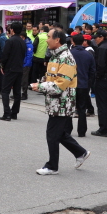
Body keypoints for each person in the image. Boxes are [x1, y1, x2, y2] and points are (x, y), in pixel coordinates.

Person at [31, 29, 90, 175]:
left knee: (52, 134)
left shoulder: (66, 58)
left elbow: (60, 85)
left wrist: (40, 87)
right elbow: (52, 78)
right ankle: (81, 153)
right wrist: (41, 83)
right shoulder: (55, 56)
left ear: (57, 40)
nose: (46, 40)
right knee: (60, 133)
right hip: (55, 102)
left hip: (62, 103)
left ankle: (52, 166)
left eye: (49, 37)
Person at [70, 33, 96, 138]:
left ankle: (67, 130)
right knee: (82, 109)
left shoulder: (69, 53)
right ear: (83, 41)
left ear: (73, 41)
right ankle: (82, 131)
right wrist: (88, 83)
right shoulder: (88, 55)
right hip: (84, 84)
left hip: (71, 84)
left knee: (70, 108)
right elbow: (93, 71)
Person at [0, 22, 25, 121]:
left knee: (5, 91)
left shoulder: (10, 41)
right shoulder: (22, 41)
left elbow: (5, 55)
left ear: (12, 30)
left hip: (10, 69)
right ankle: (14, 113)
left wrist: (2, 65)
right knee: (17, 92)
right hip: (19, 68)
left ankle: (7, 113)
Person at [20, 30, 34, 100]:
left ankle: (24, 94)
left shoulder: (29, 45)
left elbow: (29, 56)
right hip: (21, 64)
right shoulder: (23, 43)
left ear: (24, 37)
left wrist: (26, 64)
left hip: (26, 65)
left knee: (24, 80)